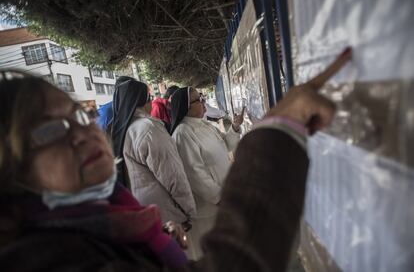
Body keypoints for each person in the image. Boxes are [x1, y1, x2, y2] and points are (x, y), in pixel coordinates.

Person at [0, 47, 351, 271]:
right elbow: (180, 175)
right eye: (49, 131)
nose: (80, 133)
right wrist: (278, 132)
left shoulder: (110, 224)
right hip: (206, 207)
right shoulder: (53, 259)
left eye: (79, 116)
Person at [170, 87, 245, 260]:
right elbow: (195, 173)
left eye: (202, 97)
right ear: (186, 107)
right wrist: (219, 198)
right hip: (208, 207)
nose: (203, 102)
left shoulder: (204, 124)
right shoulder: (183, 133)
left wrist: (235, 126)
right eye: (199, 99)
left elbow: (226, 144)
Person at [111, 79, 196, 225]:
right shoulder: (148, 128)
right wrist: (189, 210)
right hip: (166, 214)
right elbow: (172, 175)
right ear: (144, 101)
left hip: (141, 211)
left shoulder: (120, 129)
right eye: (149, 98)